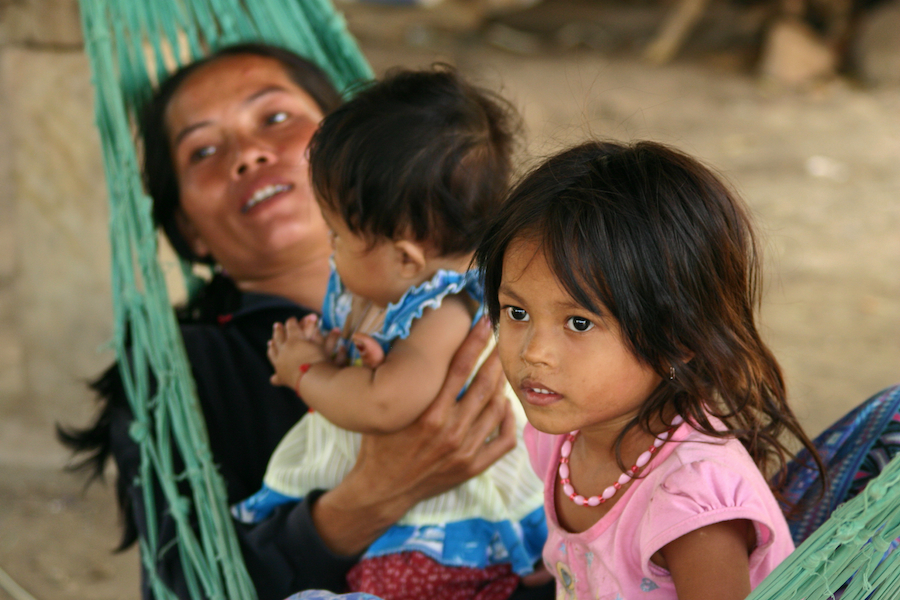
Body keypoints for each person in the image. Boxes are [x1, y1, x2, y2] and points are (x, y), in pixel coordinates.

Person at [58, 43, 552, 600]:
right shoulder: (180, 371)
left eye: (274, 118)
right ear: (188, 229)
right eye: (202, 151)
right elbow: (187, 584)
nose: (246, 154)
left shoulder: (509, 293)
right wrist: (372, 494)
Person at [231, 67, 546, 600]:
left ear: (405, 257)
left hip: (438, 543)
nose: (329, 251)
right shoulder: (415, 296)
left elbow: (386, 405)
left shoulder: (445, 308)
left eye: (338, 236)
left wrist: (308, 372)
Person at [474, 140, 825, 600]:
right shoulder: (558, 435)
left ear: (678, 340)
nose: (534, 353)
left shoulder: (692, 506)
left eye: (578, 323)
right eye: (517, 313)